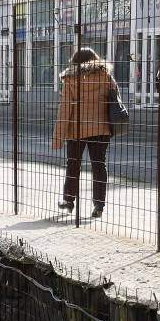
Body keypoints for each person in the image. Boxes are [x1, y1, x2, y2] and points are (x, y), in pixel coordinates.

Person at [51, 47, 117, 218]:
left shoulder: (70, 79)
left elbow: (65, 109)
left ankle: (68, 201)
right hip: (101, 127)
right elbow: (116, 98)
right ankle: (99, 205)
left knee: (73, 164)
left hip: (77, 129)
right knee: (99, 164)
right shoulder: (106, 76)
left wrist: (58, 137)